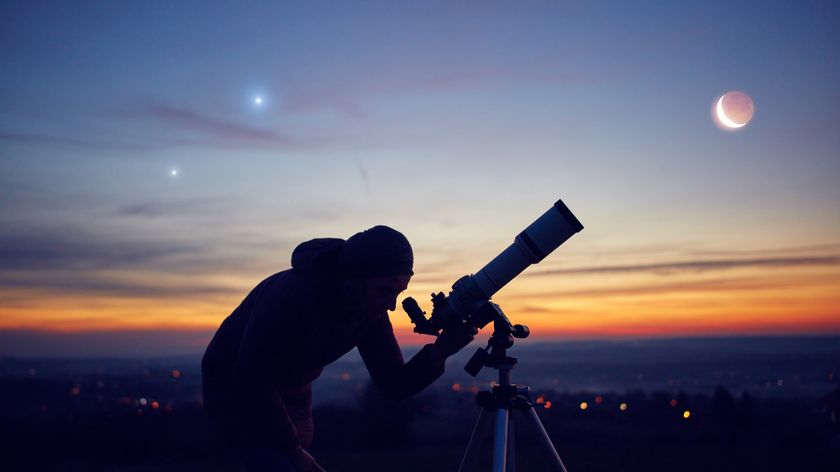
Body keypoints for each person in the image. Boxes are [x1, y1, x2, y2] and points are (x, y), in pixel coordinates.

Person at [202, 226, 475, 471]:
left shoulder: (369, 309)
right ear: (352, 279)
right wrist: (292, 450)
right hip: (233, 386)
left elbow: (393, 384)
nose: (391, 305)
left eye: (398, 293)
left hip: (292, 389)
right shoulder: (289, 296)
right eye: (385, 291)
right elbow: (251, 378)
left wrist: (441, 351)